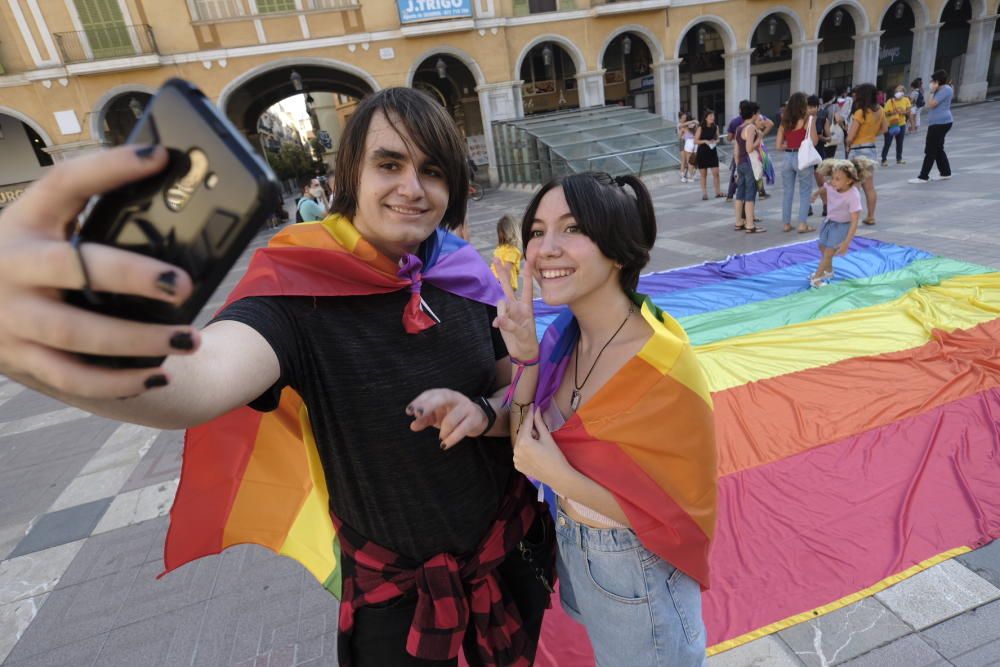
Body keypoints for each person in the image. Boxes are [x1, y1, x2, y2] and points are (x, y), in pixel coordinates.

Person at [0, 87, 556, 667]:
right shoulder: (297, 287)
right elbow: (200, 378)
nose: (412, 188)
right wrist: (57, 345)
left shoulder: (465, 276)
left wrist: (489, 406)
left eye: (432, 171)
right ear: (350, 175)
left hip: (510, 552)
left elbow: (509, 399)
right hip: (399, 602)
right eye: (389, 164)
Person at [491, 171, 716, 667]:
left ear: (617, 250)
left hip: (639, 569)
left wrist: (561, 477)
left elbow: (676, 514)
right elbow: (526, 441)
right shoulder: (566, 337)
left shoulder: (662, 366)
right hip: (580, 549)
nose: (545, 248)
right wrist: (525, 356)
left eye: (571, 229)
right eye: (536, 231)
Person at [809, 157, 874, 288]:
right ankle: (829, 271)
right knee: (822, 246)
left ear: (849, 181)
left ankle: (817, 278)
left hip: (842, 226)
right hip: (829, 222)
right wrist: (816, 194)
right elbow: (825, 187)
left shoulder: (853, 195)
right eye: (833, 177)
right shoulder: (832, 185)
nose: (833, 181)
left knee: (828, 252)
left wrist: (846, 243)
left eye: (837, 179)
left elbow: (854, 222)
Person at [776, 92, 819, 234]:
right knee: (805, 191)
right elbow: (814, 141)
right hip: (803, 158)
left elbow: (778, 146)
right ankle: (802, 224)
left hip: (788, 157)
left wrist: (789, 144)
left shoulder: (784, 121)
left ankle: (786, 224)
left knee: (787, 192)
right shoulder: (808, 119)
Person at [845, 83, 886, 225]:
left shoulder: (860, 112)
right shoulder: (880, 110)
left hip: (857, 150)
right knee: (869, 186)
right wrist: (871, 134)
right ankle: (871, 216)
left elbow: (850, 137)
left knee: (854, 186)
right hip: (871, 148)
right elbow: (884, 129)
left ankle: (852, 218)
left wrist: (848, 140)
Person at [908, 70, 954, 184]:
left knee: (930, 149)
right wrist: (934, 91)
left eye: (933, 81)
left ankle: (923, 176)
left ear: (938, 81)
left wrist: (932, 92)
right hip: (938, 123)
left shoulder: (946, 89)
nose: (931, 83)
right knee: (938, 148)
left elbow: (931, 104)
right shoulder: (941, 89)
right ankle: (945, 172)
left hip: (941, 123)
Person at [733, 101, 765, 233]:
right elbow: (749, 148)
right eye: (757, 112)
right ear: (753, 113)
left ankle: (739, 222)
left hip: (740, 163)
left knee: (740, 194)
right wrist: (760, 138)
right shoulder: (750, 128)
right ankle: (750, 225)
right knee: (750, 194)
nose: (758, 115)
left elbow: (736, 150)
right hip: (749, 163)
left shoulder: (739, 128)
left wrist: (737, 167)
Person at [694, 109, 723, 200]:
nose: (712, 118)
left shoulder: (716, 127)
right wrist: (705, 141)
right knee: (704, 175)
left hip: (712, 151)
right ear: (706, 118)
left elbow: (718, 139)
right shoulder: (700, 127)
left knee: (716, 173)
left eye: (713, 116)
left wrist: (715, 141)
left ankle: (718, 192)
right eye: (710, 116)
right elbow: (695, 141)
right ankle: (704, 193)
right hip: (702, 152)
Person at [881, 84, 911, 166]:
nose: (898, 92)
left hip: (901, 124)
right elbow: (885, 113)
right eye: (897, 91)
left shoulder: (906, 100)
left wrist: (903, 112)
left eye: (900, 91)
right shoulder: (890, 101)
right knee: (888, 142)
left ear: (903, 92)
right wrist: (893, 112)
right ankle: (884, 159)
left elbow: (908, 111)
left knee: (900, 142)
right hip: (890, 124)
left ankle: (899, 159)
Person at [491, 213, 522, 290]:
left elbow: (508, 266)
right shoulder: (509, 250)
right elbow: (507, 267)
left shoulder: (506, 249)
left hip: (498, 281)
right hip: (501, 282)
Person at [678, 112, 698, 183]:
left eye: (685, 118)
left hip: (688, 142)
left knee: (690, 160)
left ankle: (690, 175)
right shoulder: (680, 124)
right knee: (684, 160)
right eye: (683, 118)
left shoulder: (688, 125)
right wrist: (693, 121)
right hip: (683, 142)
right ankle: (683, 176)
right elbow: (680, 136)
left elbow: (680, 135)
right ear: (680, 118)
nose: (684, 119)